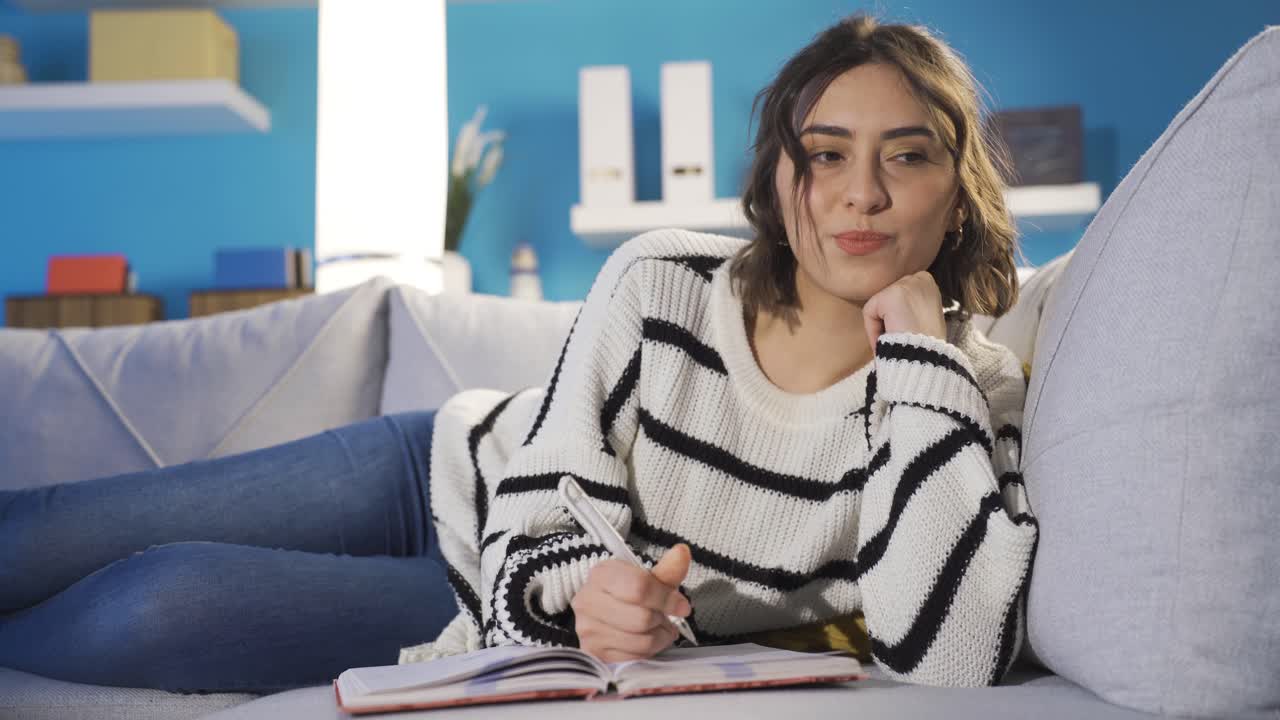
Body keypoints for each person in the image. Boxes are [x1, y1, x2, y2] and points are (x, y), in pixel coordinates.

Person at [0, 12, 1035, 694]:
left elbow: (949, 659)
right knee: (47, 533)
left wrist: (920, 358)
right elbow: (546, 492)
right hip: (438, 474)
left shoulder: (964, 391)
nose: (861, 195)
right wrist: (584, 585)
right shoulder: (665, 280)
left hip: (488, 611)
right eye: (825, 155)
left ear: (956, 196)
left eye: (907, 156)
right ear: (777, 178)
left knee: (162, 600)